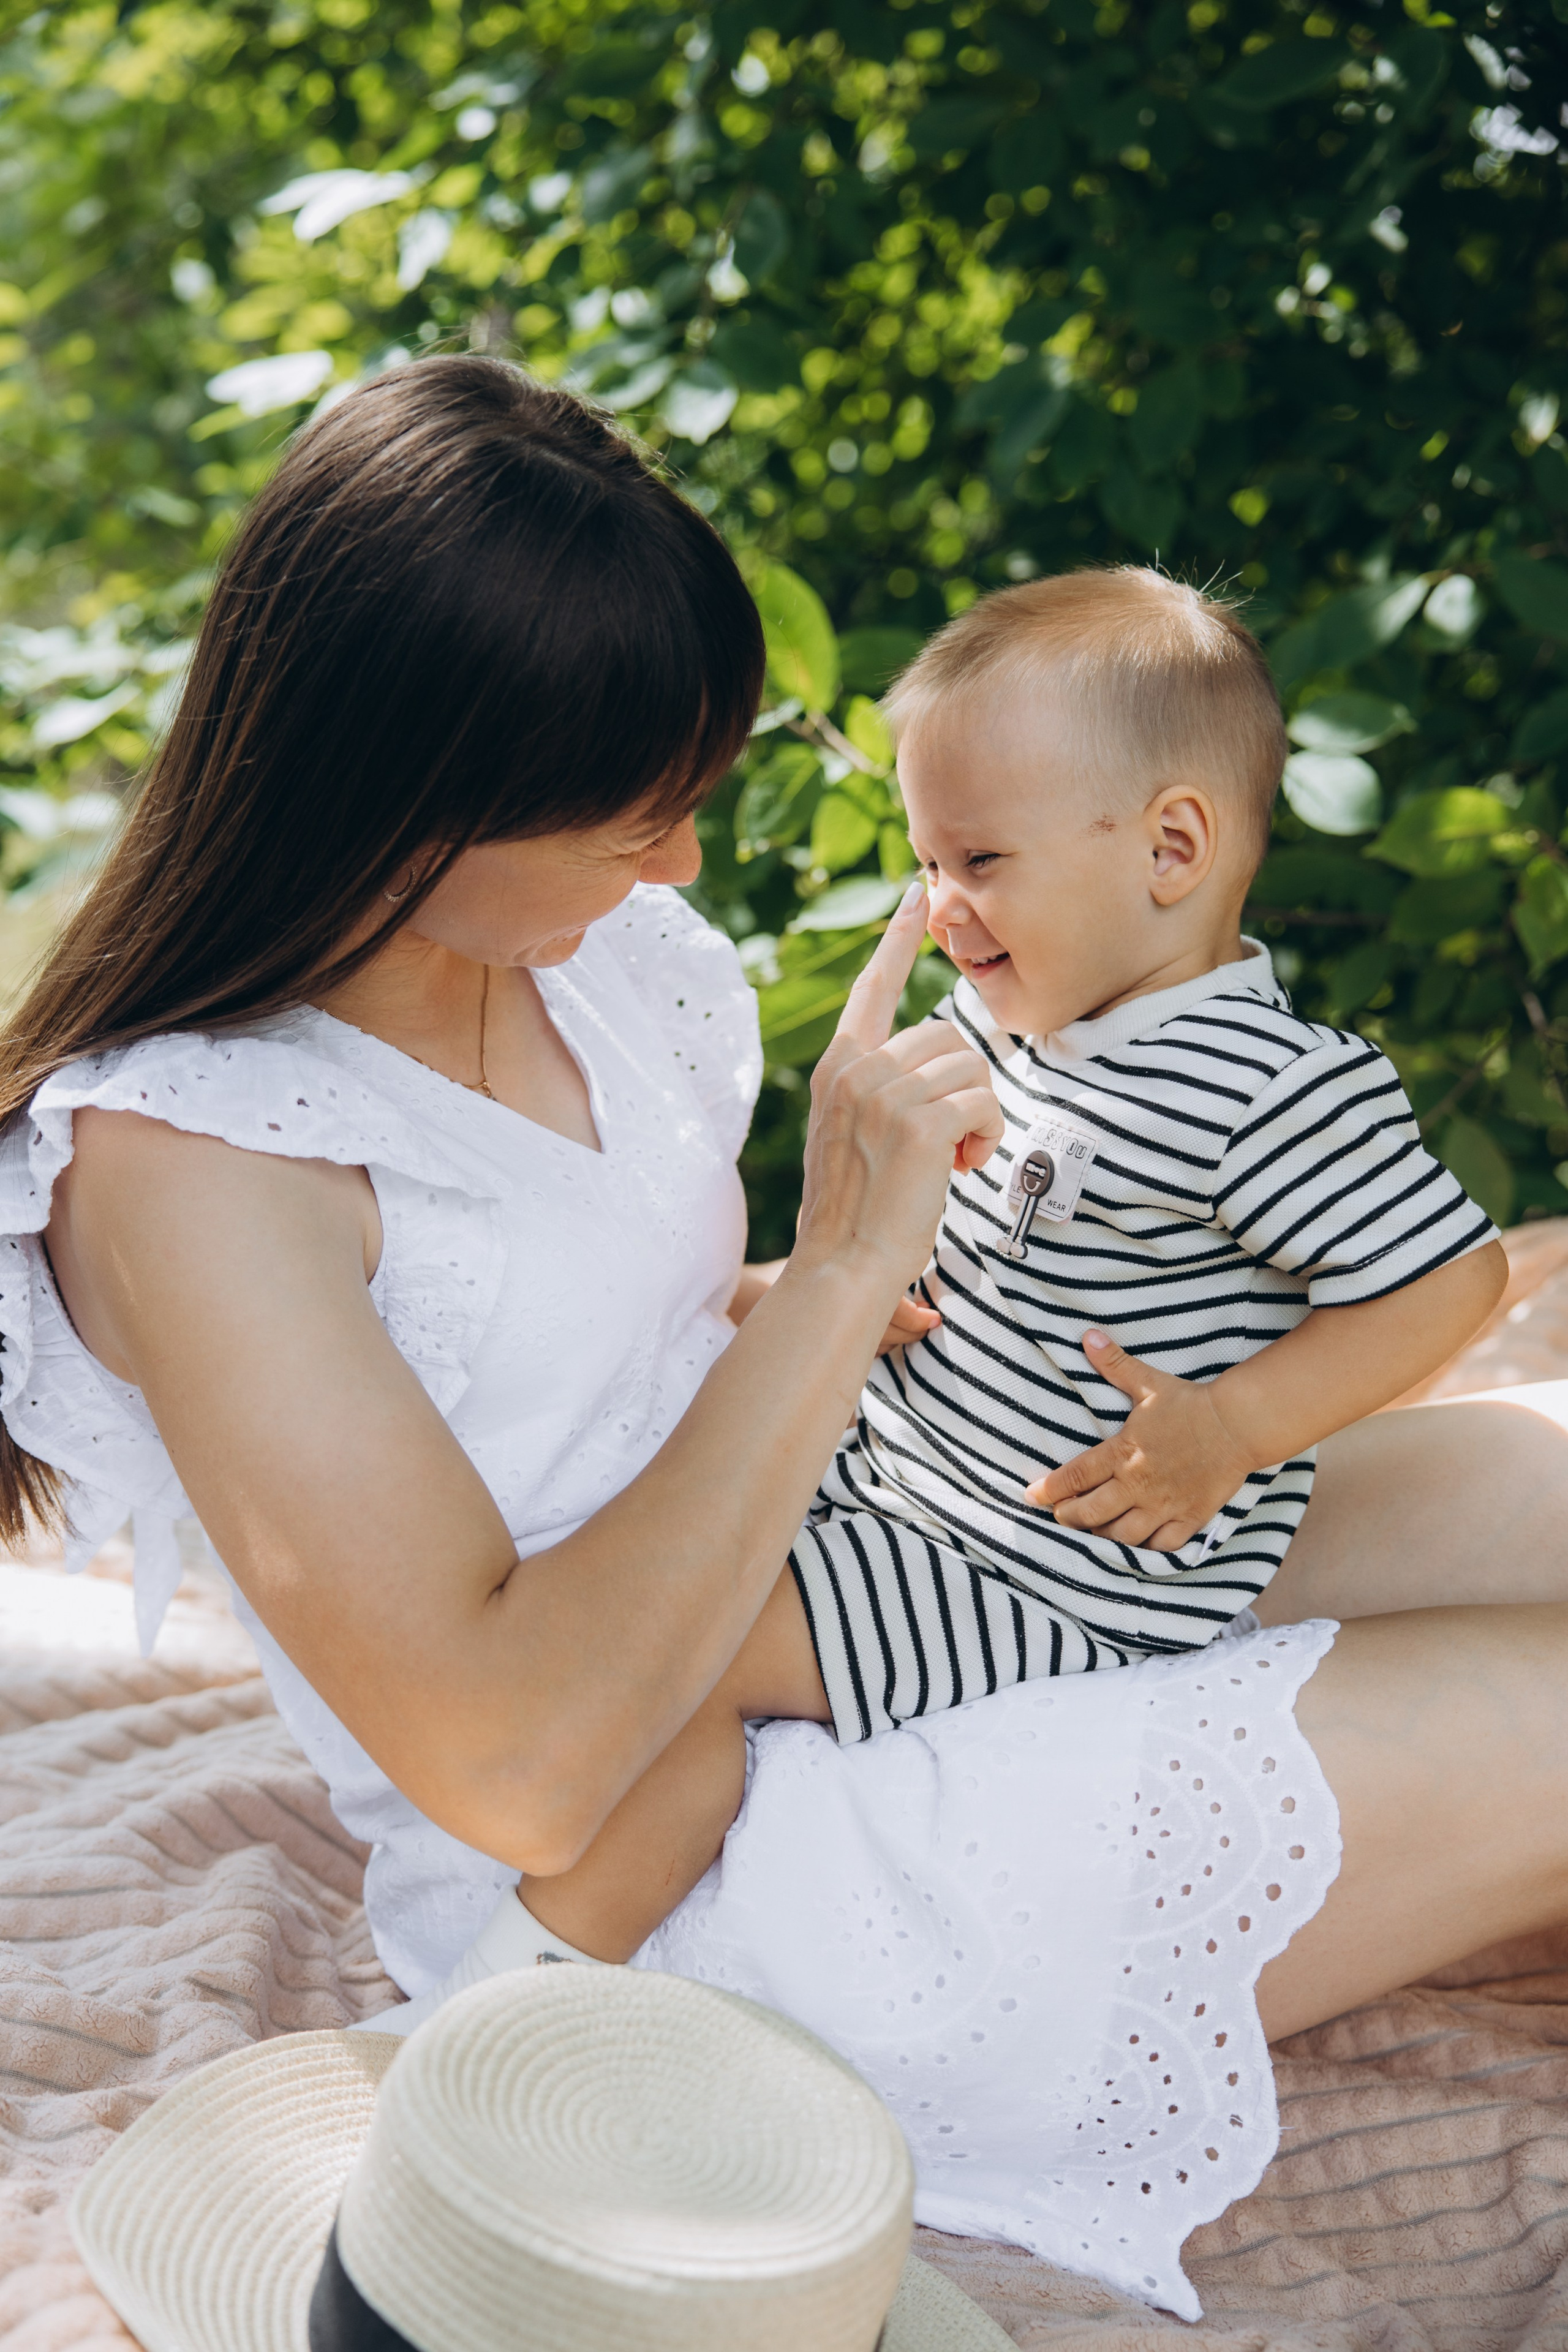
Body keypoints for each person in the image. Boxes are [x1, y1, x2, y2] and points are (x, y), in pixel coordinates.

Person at [6, 355, 1568, 2318]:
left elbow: (624, 1336)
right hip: (681, 1850)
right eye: (634, 815)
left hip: (890, 1536)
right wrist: (831, 1281)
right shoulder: (192, 1165)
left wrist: (899, 1304)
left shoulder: (595, 958)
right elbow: (520, 1769)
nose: (681, 865)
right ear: (413, 793)